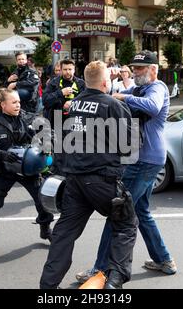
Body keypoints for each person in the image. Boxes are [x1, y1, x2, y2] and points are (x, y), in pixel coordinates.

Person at [76, 50, 177, 284]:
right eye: (134, 67)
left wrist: (124, 98)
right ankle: (164, 259)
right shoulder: (139, 88)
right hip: (144, 159)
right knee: (140, 211)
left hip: (144, 161)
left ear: (153, 69)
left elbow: (152, 106)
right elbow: (114, 93)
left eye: (141, 68)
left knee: (117, 212)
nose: (136, 71)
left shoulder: (157, 88)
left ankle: (99, 271)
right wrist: (107, 85)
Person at [39, 61, 138, 289]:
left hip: (75, 181)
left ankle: (47, 287)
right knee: (125, 225)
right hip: (102, 180)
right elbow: (131, 147)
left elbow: (64, 139)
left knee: (64, 234)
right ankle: (114, 281)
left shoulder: (74, 105)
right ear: (106, 82)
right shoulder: (113, 105)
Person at [0, 88, 54, 254]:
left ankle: (45, 228)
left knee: (43, 199)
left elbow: (46, 132)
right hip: (3, 170)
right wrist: (2, 154)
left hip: (28, 169)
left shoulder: (27, 118)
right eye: (14, 102)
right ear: (3, 105)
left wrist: (46, 144)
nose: (18, 105)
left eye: (19, 102)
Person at [42, 59, 86, 174]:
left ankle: (72, 175)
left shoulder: (81, 83)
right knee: (59, 154)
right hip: (57, 120)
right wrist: (61, 93)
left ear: (74, 69)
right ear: (60, 70)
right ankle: (58, 177)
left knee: (75, 152)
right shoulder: (53, 83)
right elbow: (45, 101)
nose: (68, 72)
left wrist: (73, 103)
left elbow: (88, 101)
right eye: (65, 69)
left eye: (70, 69)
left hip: (76, 122)